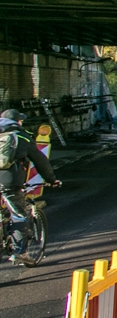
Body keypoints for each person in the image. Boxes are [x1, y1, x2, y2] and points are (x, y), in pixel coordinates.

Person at [0, 109, 60, 258]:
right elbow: (41, 162)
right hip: (9, 182)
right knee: (18, 214)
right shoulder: (23, 138)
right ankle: (21, 252)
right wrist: (51, 179)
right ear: (18, 121)